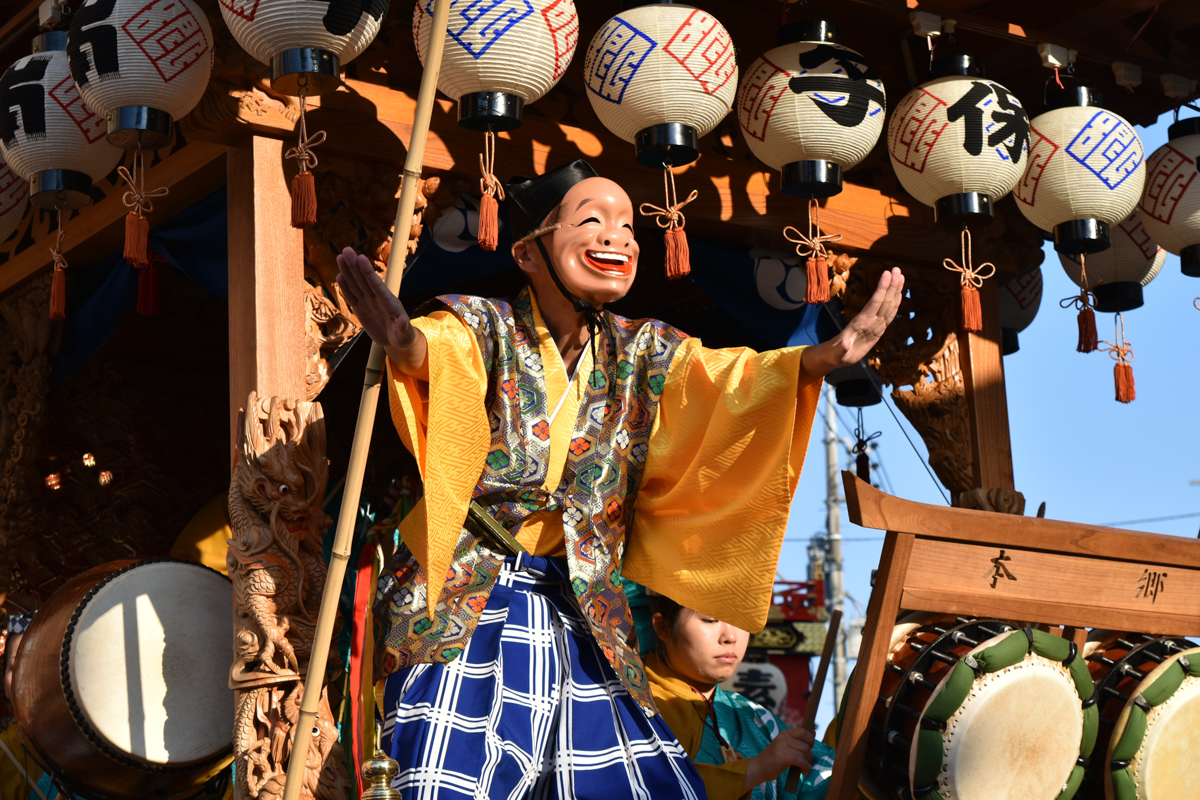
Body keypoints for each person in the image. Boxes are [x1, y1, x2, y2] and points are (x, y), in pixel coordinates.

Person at [338, 159, 903, 798]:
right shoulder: (484, 325)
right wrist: (404, 342)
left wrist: (820, 358)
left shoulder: (645, 351)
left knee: (636, 782)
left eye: (629, 226)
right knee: (450, 774)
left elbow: (730, 381)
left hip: (583, 605)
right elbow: (441, 354)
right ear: (528, 252)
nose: (618, 238)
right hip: (471, 595)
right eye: (592, 221)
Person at [645, 592, 834, 800]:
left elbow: (829, 775)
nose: (731, 637)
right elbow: (644, 787)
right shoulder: (636, 710)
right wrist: (756, 769)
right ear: (662, 627)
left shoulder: (755, 717)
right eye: (710, 620)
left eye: (741, 619)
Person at [1, 612, 59, 800]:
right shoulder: (3, 754)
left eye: (38, 664)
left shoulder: (89, 753)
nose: (24, 676)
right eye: (14, 667)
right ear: (5, 686)